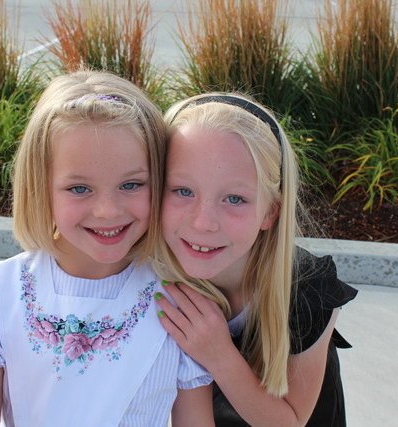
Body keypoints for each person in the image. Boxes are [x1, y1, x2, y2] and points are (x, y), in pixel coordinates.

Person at [0, 71, 214, 427]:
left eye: (131, 184)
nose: (108, 211)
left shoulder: (180, 306)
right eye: (79, 189)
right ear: (41, 188)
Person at [152, 93, 358, 426]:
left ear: (271, 212)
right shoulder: (146, 276)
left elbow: (289, 422)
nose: (203, 222)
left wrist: (218, 354)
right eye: (183, 191)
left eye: (234, 198)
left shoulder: (305, 290)